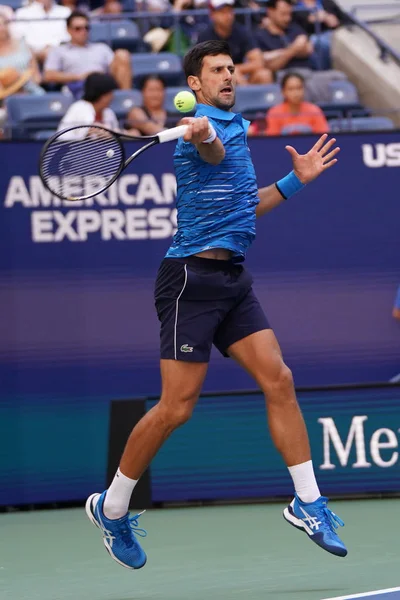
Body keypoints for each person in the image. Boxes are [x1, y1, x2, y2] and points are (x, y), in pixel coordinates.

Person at [85, 40, 347, 570]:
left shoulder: (235, 126)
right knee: (175, 408)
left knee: (280, 379)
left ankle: (308, 502)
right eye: (216, 71)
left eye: (232, 68)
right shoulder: (199, 134)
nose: (229, 76)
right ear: (195, 86)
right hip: (189, 281)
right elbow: (211, 153)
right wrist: (201, 135)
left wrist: (298, 180)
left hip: (231, 279)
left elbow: (247, 206)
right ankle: (111, 508)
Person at [44, 10, 132, 97]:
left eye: (86, 28)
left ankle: (125, 100)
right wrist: (78, 77)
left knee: (122, 54)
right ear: (68, 30)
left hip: (104, 84)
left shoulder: (101, 48)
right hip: (78, 87)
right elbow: (49, 75)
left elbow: (115, 69)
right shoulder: (59, 51)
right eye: (78, 28)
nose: (83, 31)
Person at [197, 0, 272, 85]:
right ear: (212, 15)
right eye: (222, 12)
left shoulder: (242, 32)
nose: (228, 16)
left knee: (264, 74)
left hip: (240, 74)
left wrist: (234, 69)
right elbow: (202, 67)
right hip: (215, 78)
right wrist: (229, 71)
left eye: (230, 11)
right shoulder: (205, 37)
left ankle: (248, 96)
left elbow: (258, 62)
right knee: (232, 75)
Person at [250, 71, 329, 136]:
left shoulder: (314, 111)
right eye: (291, 89)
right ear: (283, 92)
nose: (296, 93)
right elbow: (272, 141)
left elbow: (323, 137)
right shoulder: (274, 112)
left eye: (299, 88)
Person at [257, 0, 314, 74]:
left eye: (289, 14)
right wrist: (294, 48)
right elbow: (270, 67)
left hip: (307, 72)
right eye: (283, 14)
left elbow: (308, 49)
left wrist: (275, 54)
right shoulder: (260, 35)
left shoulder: (295, 28)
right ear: (270, 11)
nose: (288, 18)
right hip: (282, 77)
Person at [13, 0, 71, 64]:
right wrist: (38, 52)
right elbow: (20, 38)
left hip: (61, 56)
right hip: (31, 57)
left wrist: (51, 48)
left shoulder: (65, 11)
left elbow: (68, 36)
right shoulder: (22, 13)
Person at [0, 14, 44, 97]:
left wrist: (24, 87)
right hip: (4, 96)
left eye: (5, 23)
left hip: (31, 91)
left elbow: (37, 76)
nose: (2, 28)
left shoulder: (23, 43)